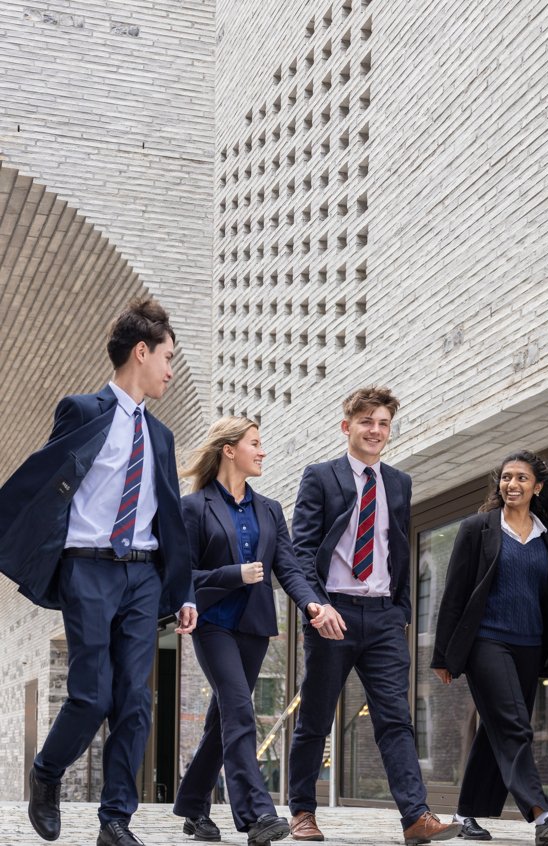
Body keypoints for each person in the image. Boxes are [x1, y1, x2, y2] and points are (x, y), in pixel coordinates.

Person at [0, 298, 197, 846]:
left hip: (142, 575)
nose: (170, 370)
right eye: (167, 357)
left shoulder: (161, 437)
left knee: (135, 699)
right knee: (92, 695)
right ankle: (46, 773)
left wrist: (181, 590)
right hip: (88, 569)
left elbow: (170, 517)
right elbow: (45, 481)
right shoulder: (83, 411)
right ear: (142, 351)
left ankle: (115, 821)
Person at [287, 386, 460, 845]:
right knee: (317, 717)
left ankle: (416, 817)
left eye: (383, 423)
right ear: (348, 427)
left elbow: (397, 547)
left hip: (383, 616)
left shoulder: (399, 483)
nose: (375, 431)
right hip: (333, 612)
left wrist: (401, 610)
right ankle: (302, 811)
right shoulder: (320, 477)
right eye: (367, 422)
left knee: (395, 718)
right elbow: (302, 550)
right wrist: (314, 605)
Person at [172, 417, 341, 846]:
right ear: (229, 450)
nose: (262, 451)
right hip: (212, 625)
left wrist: (313, 604)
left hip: (254, 628)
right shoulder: (194, 507)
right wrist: (233, 574)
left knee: (224, 719)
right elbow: (181, 575)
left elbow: (289, 566)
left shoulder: (269, 509)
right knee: (239, 710)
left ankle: (192, 805)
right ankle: (257, 813)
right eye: (255, 444)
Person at [432, 450, 548, 845]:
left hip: (530, 648)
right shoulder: (478, 528)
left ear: (537, 487)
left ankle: (466, 813)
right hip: (486, 642)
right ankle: (540, 811)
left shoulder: (546, 536)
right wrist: (443, 655)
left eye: (521, 478)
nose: (512, 485)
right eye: (506, 478)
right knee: (516, 726)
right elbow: (454, 595)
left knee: (497, 729)